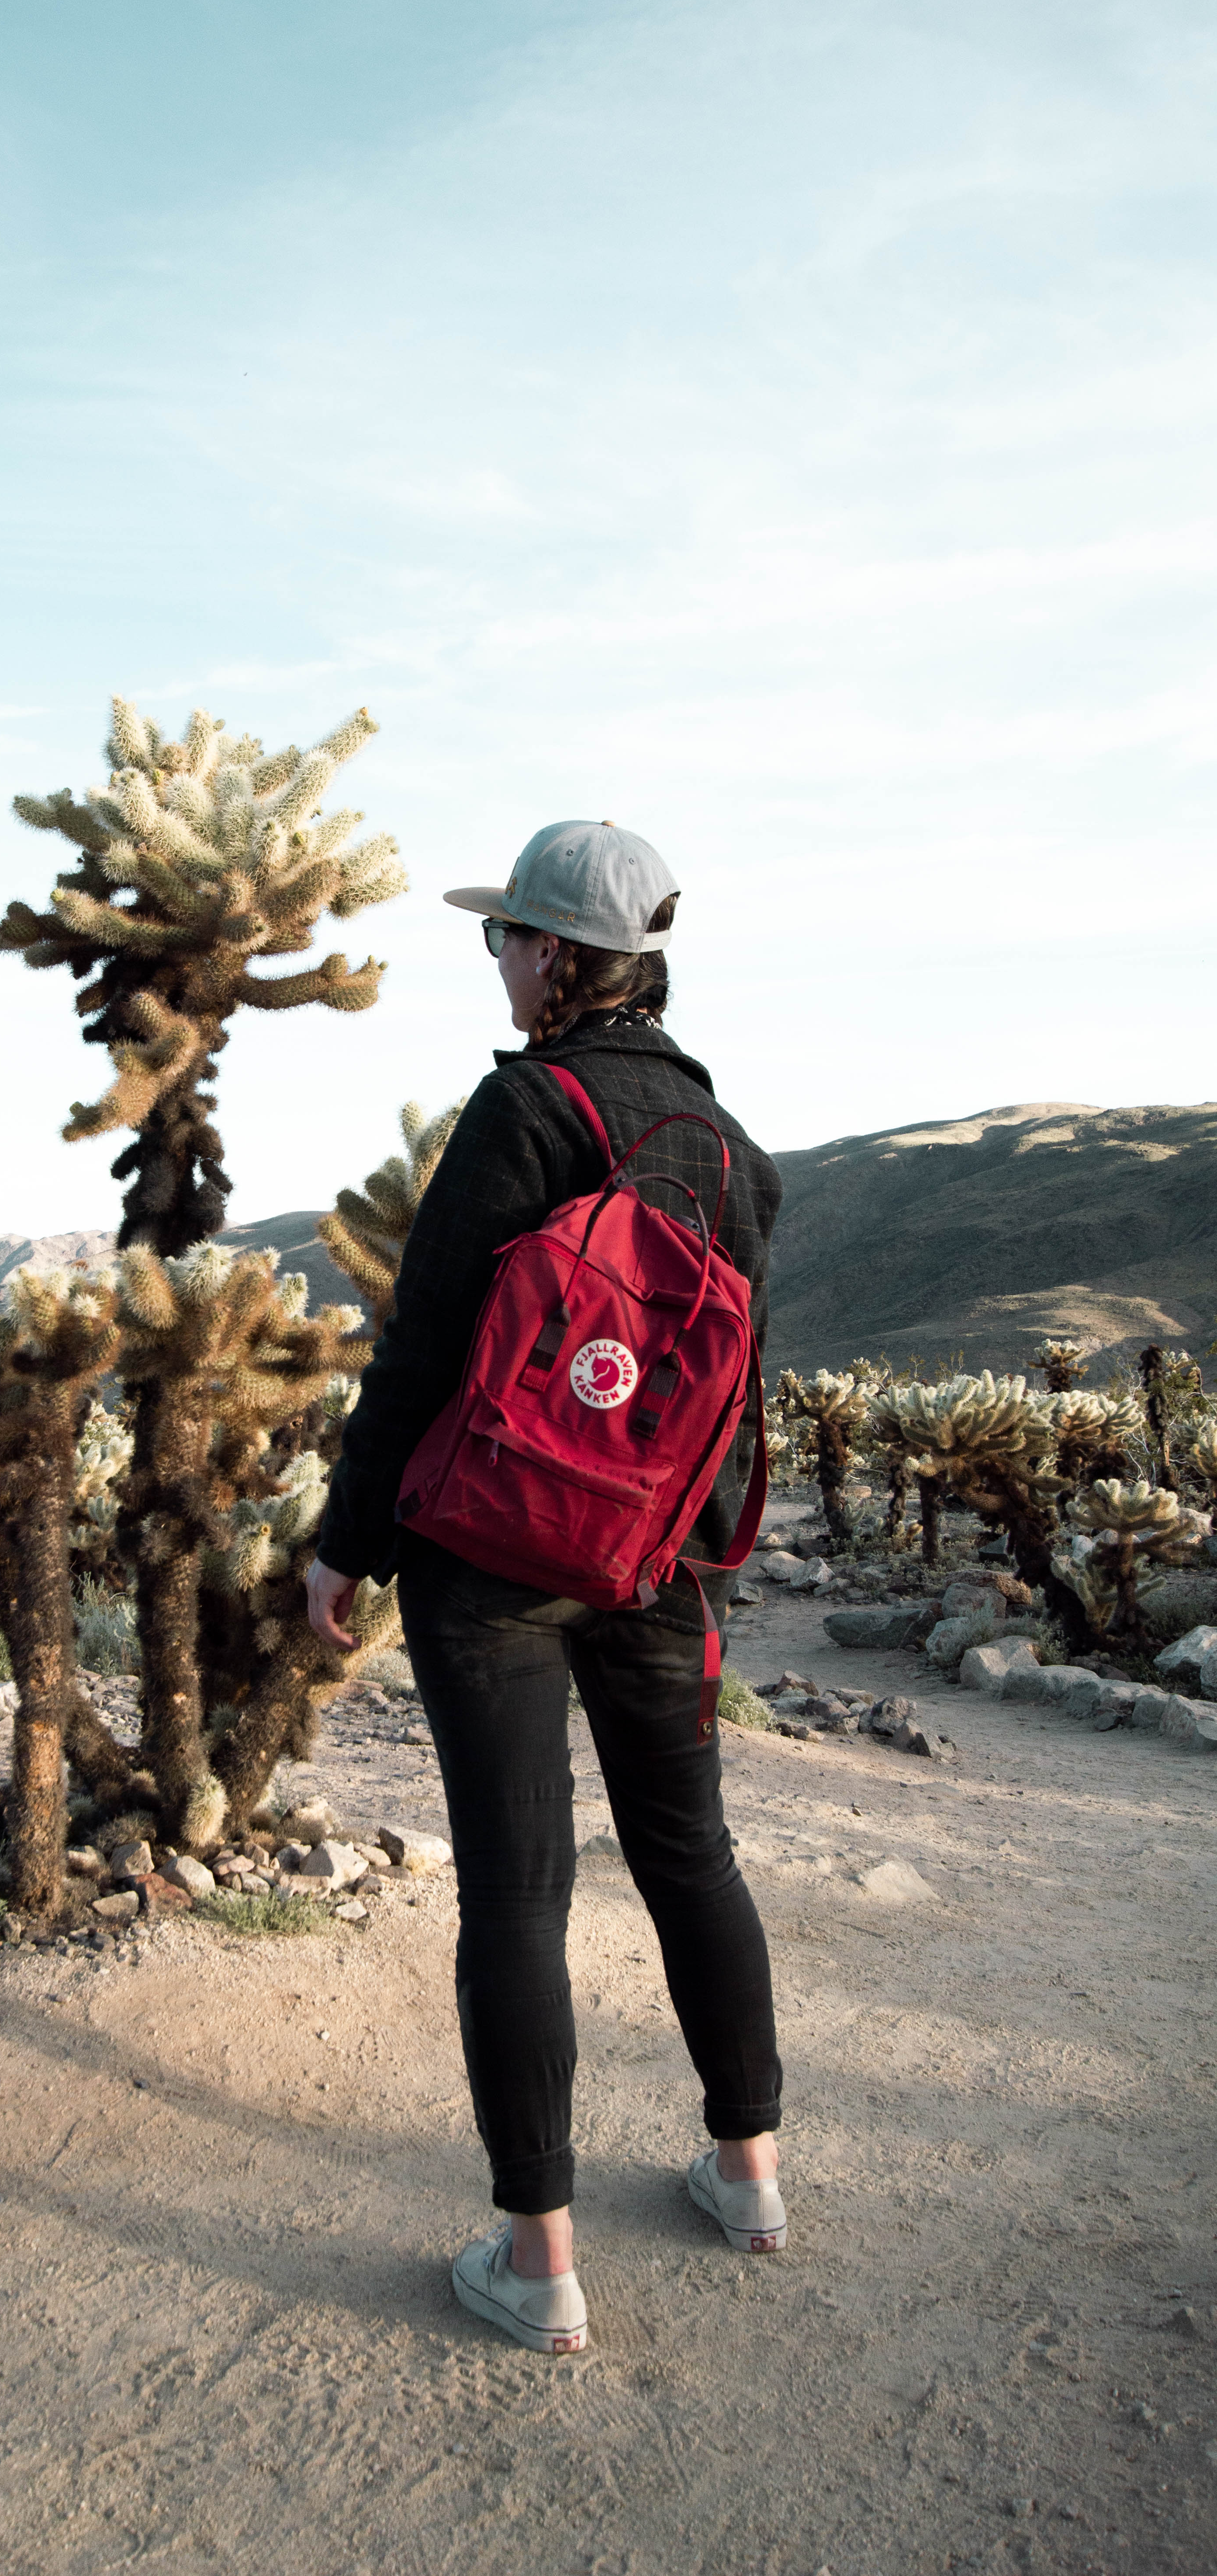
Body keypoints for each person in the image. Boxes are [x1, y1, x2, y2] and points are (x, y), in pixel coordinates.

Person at [305, 817, 786, 2356]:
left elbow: (426, 1345)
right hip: (653, 1561)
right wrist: (688, 1547)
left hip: (494, 1560)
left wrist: (348, 1541)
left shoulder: (521, 1110)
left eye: (509, 938)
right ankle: (747, 2175)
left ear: (565, 958)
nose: (500, 964)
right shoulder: (726, 1148)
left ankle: (543, 2263)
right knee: (691, 1857)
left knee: (519, 1888)